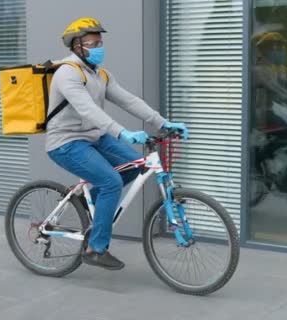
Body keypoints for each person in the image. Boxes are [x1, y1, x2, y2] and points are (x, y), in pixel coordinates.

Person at [46, 17, 188, 270]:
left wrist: (163, 123)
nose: (100, 46)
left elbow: (129, 101)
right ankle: (95, 249)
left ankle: (92, 207)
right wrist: (122, 133)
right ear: (77, 46)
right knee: (110, 181)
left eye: (100, 42)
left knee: (135, 165)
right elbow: (88, 110)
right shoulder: (67, 73)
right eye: (93, 42)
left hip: (94, 137)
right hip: (65, 142)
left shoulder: (100, 74)